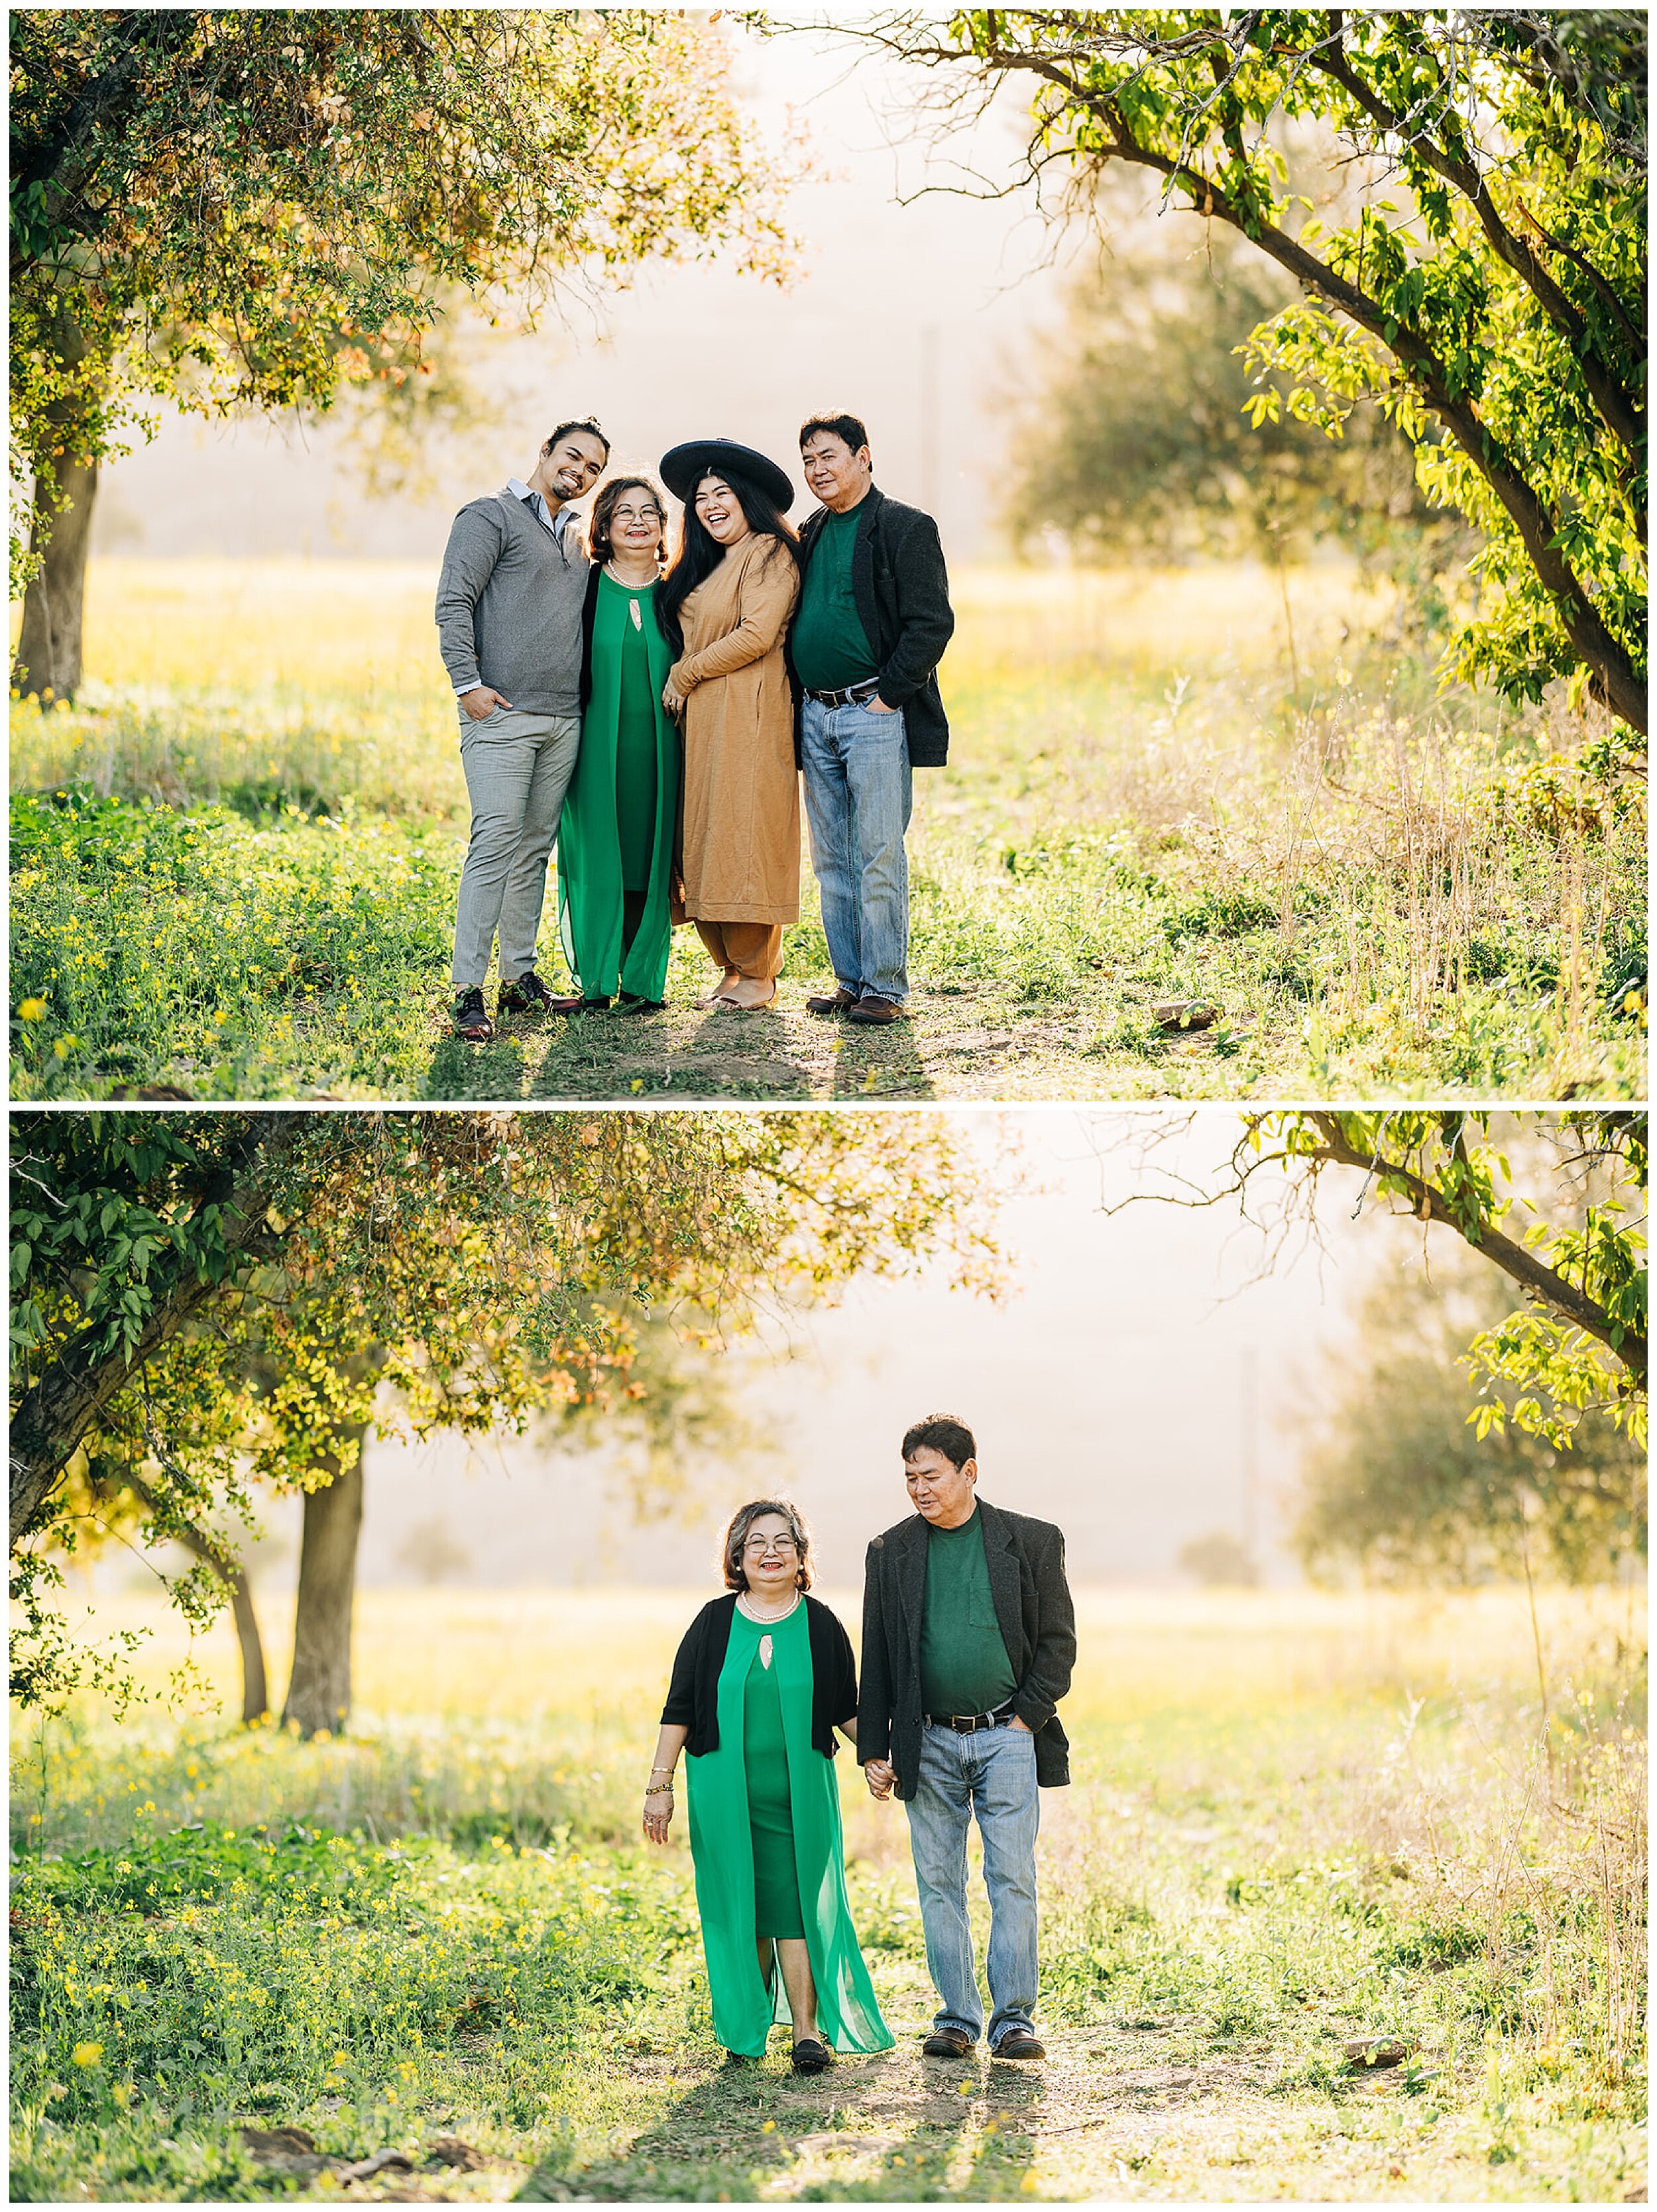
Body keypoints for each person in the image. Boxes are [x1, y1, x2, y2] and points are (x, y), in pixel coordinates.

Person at [644, 1500, 894, 2071]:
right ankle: (748, 2029)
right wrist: (660, 1784)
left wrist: (875, 1757)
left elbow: (843, 1709)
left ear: (802, 1555)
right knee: (742, 1905)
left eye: (784, 1542)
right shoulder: (713, 1622)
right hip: (724, 1795)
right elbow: (679, 1707)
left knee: (799, 1903)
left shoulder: (821, 1624)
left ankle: (808, 2032)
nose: (771, 1553)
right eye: (757, 1542)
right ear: (737, 1555)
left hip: (800, 1796)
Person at [858, 1413, 1075, 2062]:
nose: (919, 1488)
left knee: (1011, 1876)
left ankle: (1014, 2021)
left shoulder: (1032, 1541)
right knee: (937, 1881)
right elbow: (879, 1655)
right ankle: (956, 2018)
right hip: (926, 1742)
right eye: (909, 1477)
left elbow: (1058, 1643)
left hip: (1007, 1733)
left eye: (930, 1475)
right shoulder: (889, 1550)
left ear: (968, 1471)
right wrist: (876, 1746)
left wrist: (1023, 1721)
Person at [435, 417, 610, 1044]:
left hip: (564, 719)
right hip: (501, 715)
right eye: (573, 457)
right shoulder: (490, 517)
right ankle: (466, 991)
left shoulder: (577, 539)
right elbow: (453, 600)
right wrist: (467, 683)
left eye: (594, 469)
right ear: (544, 451)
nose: (581, 473)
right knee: (495, 844)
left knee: (534, 849)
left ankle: (519, 980)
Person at [791, 412, 955, 1027]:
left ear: (864, 456)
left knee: (878, 851)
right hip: (814, 713)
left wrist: (887, 696)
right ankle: (851, 981)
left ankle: (884, 987)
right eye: (808, 461)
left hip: (872, 713)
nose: (817, 470)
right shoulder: (808, 532)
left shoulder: (904, 527)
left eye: (828, 456)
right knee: (832, 857)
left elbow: (931, 623)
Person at [657, 438, 802, 1011]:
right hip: (704, 723)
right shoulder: (714, 562)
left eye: (723, 493)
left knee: (744, 834)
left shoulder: (768, 551)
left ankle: (759, 973)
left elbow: (757, 635)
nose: (711, 504)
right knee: (706, 836)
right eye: (700, 497)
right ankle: (731, 968)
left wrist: (686, 673)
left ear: (748, 499)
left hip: (750, 714)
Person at [557, 473, 680, 1012]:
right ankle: (597, 981)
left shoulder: (680, 592)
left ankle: (643, 981)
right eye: (623, 512)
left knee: (650, 854)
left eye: (649, 511)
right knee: (598, 854)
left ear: (662, 525)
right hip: (593, 748)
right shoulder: (581, 586)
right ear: (603, 525)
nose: (637, 521)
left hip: (662, 751)